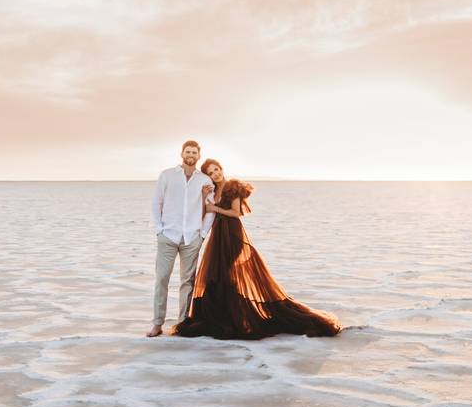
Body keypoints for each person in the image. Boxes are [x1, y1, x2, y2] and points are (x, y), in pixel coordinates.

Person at [173, 159, 341, 340]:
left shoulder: (232, 186)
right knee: (216, 276)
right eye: (211, 173)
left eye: (216, 170)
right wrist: (205, 197)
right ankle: (225, 317)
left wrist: (214, 207)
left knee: (225, 274)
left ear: (221, 168)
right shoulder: (212, 190)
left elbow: (236, 213)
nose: (215, 174)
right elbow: (204, 211)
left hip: (233, 235)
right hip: (218, 237)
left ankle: (239, 319)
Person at [146, 140, 215, 338]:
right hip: (168, 235)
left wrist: (202, 234)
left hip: (192, 237)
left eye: (194, 152)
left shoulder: (205, 180)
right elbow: (156, 203)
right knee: (162, 279)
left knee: (188, 281)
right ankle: (157, 324)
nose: (191, 154)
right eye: (188, 151)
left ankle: (182, 323)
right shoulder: (167, 175)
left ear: (198, 156)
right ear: (182, 154)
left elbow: (210, 209)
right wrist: (159, 230)